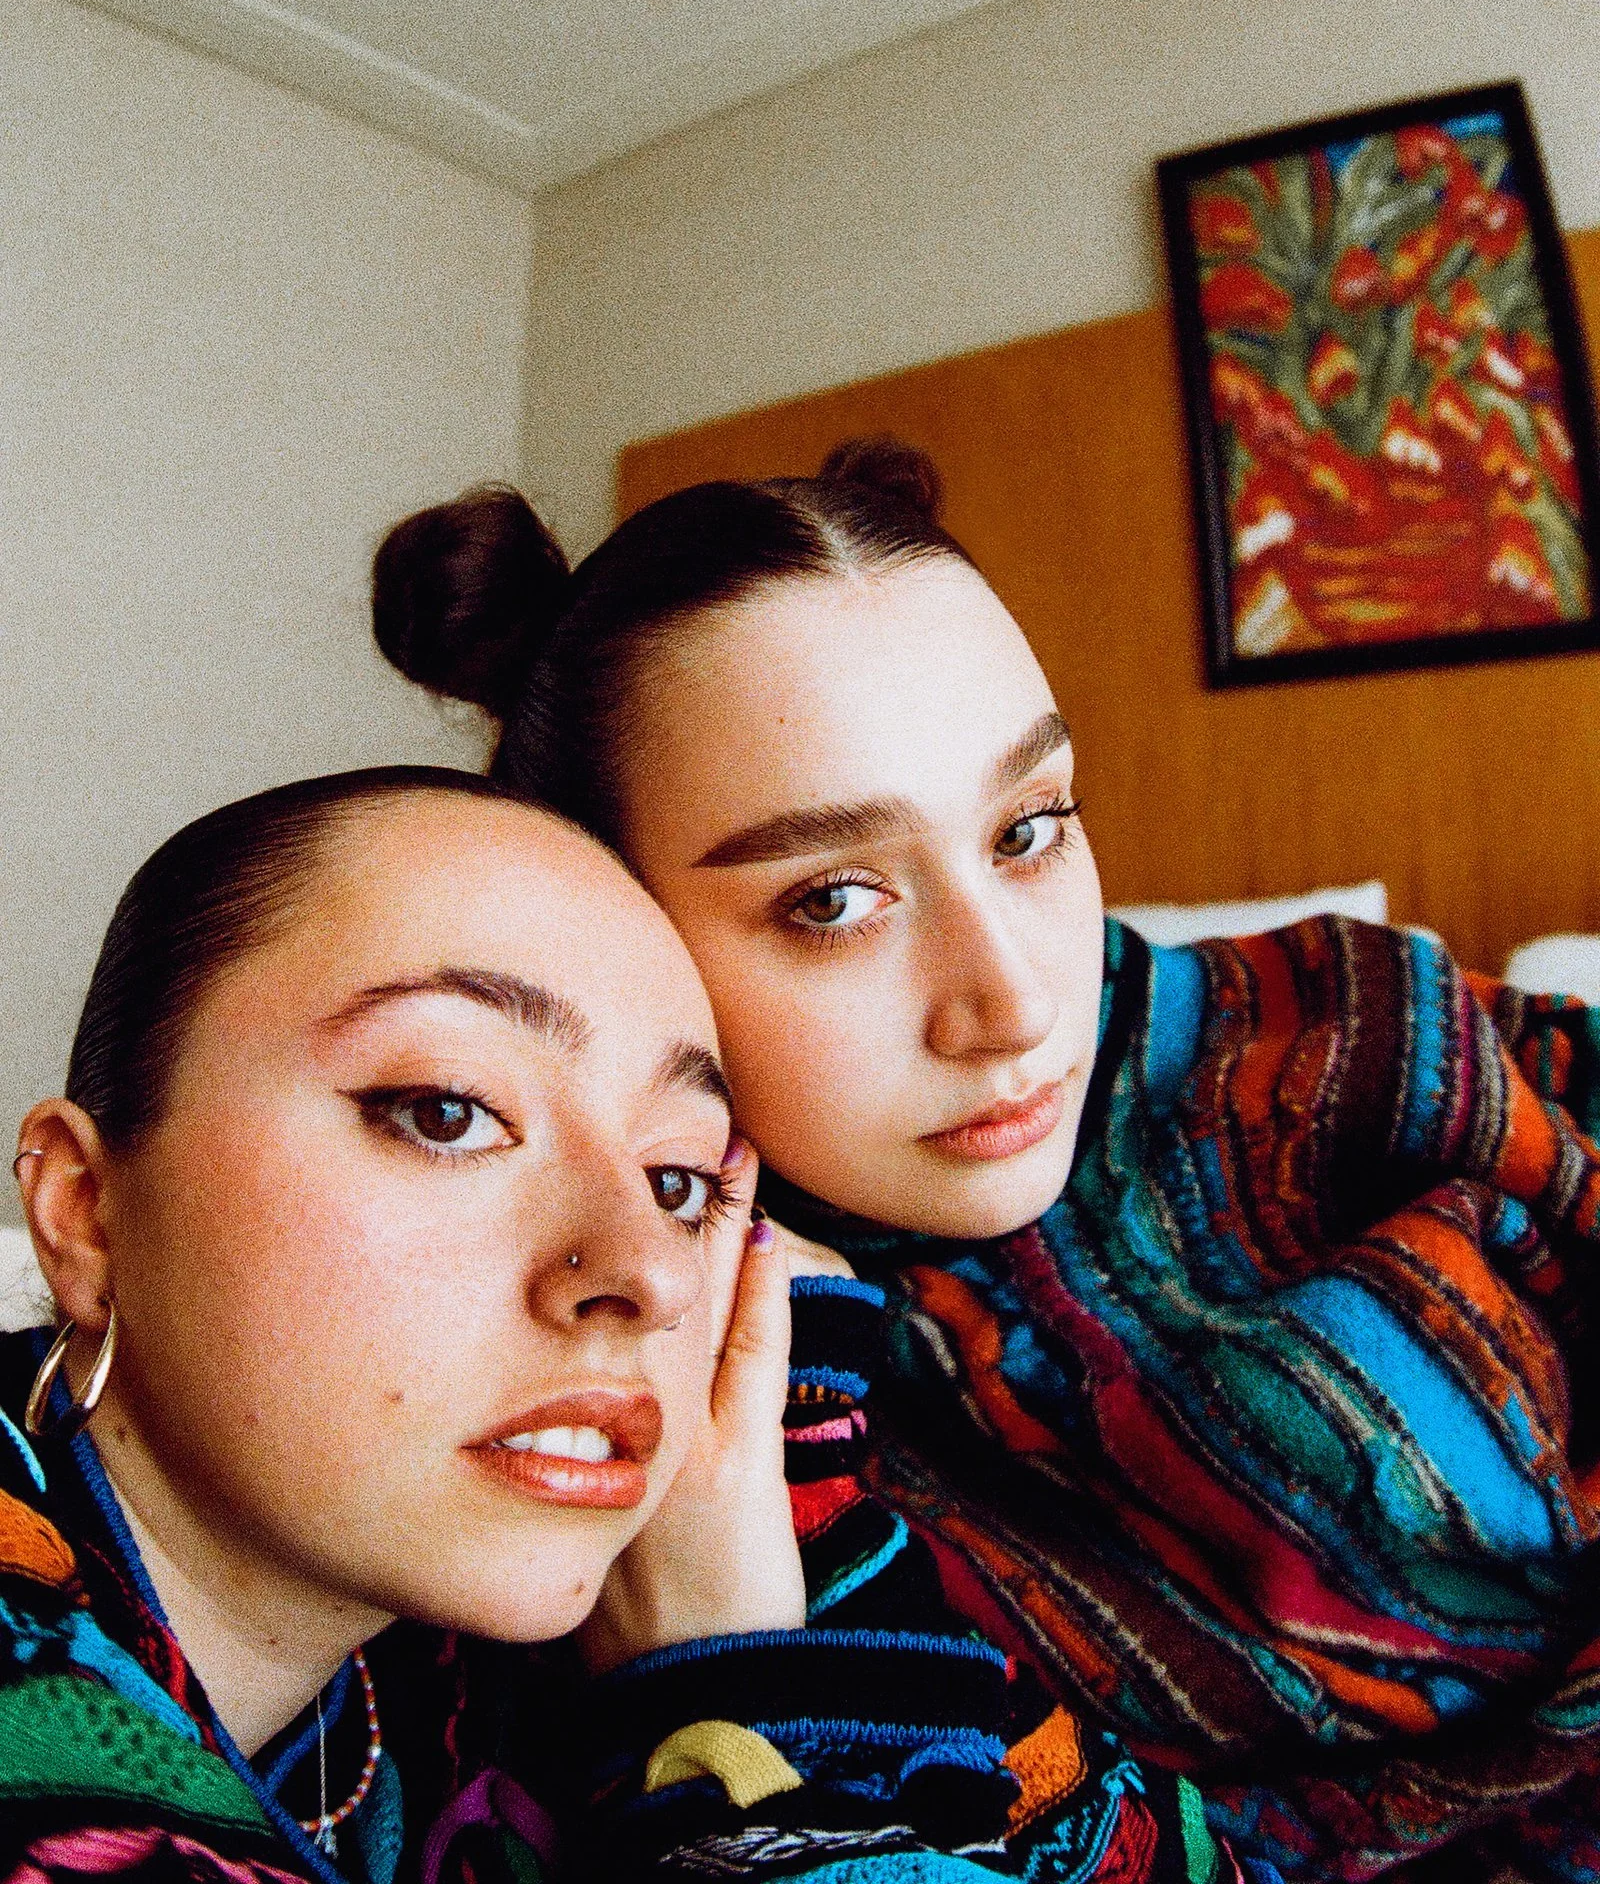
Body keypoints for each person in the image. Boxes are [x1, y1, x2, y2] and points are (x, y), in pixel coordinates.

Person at [373, 445, 1600, 1881]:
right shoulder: (648, 1391)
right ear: (608, 924)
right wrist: (732, 1685)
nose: (1015, 1002)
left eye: (1030, 830)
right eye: (833, 899)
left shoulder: (1358, 1033)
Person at [6, 764, 1253, 1884]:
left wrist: (748, 1633)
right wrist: (728, 1720)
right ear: (86, 1210)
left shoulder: (585, 1593)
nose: (644, 1272)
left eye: (679, 1180)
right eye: (447, 1109)